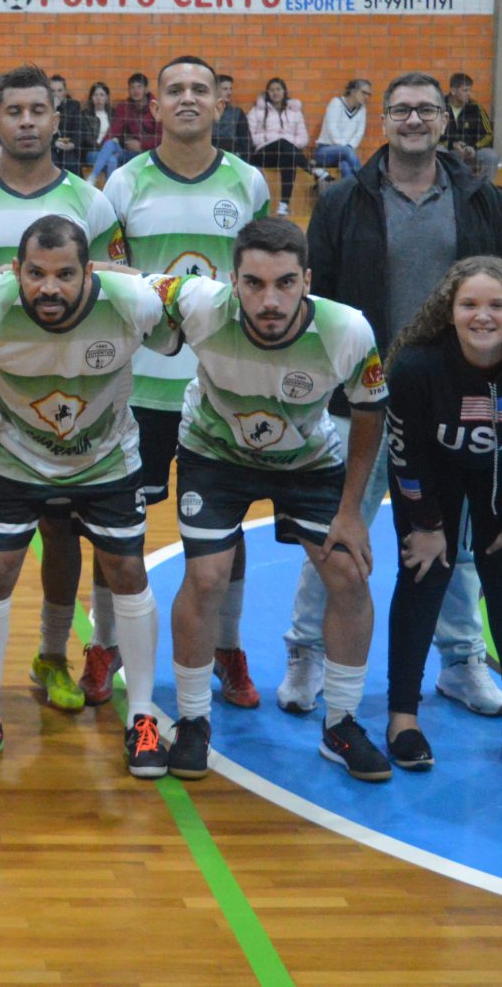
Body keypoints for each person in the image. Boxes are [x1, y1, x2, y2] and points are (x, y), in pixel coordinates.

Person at [285, 71, 502, 719]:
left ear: (444, 120)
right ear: (384, 121)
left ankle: (461, 660)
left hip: (452, 404)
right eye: (401, 110)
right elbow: (315, 302)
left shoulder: (480, 200)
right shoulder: (343, 200)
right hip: (360, 404)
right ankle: (306, 650)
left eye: (425, 109)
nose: (414, 119)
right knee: (336, 531)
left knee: (456, 541)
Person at [158, 217, 392, 784]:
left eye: (286, 283)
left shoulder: (346, 329)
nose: (270, 300)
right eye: (254, 283)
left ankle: (341, 724)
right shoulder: (196, 301)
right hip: (214, 452)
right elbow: (112, 280)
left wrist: (350, 512)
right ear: (231, 281)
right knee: (206, 578)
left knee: (348, 576)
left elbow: (370, 410)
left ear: (307, 280)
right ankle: (192, 720)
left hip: (306, 461)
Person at [0, 65, 125, 717]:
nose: (25, 122)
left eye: (37, 111)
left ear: (55, 119)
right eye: (13, 111)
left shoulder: (91, 205)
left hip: (67, 401)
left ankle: (52, 655)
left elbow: (110, 289)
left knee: (61, 527)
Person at [0, 216, 169, 778]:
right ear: (15, 271)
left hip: (106, 458)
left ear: (90, 272)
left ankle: (142, 716)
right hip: (13, 456)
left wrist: (129, 274)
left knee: (127, 571)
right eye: (36, 274)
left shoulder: (133, 302)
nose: (50, 288)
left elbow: (183, 301)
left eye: (65, 274)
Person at [102, 56, 271, 710]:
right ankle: (106, 645)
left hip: (222, 388)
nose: (188, 99)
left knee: (227, 531)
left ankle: (228, 647)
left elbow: (265, 277)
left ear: (220, 103)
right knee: (118, 526)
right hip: (138, 389)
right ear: (155, 107)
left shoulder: (248, 183)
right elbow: (110, 281)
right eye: (174, 90)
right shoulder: (124, 183)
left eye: (200, 89)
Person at [384, 258, 502, 775]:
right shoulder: (417, 366)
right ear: (450, 310)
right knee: (424, 571)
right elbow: (404, 455)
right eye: (469, 304)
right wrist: (426, 527)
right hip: (433, 470)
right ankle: (402, 717)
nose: (482, 316)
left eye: (496, 305)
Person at [247, 76, 311, 216]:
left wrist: (286, 143)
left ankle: (283, 205)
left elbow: (303, 138)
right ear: (267, 92)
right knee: (282, 143)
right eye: (272, 90)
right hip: (263, 154)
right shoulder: (257, 111)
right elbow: (249, 136)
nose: (275, 93)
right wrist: (270, 138)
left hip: (285, 154)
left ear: (284, 91)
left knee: (288, 158)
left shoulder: (295, 112)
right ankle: (313, 170)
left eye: (278, 89)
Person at [442, 73, 500, 184]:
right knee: (444, 153)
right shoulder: (440, 107)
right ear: (453, 91)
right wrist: (452, 145)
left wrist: (474, 148)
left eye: (470, 90)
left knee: (491, 156)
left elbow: (488, 135)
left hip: (472, 151)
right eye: (465, 90)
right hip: (448, 151)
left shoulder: (476, 108)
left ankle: (485, 189)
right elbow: (433, 136)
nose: (469, 94)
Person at [314, 79, 371, 182]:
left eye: (368, 94)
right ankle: (366, 181)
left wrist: (349, 147)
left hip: (345, 153)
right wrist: (347, 148)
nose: (366, 96)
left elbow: (359, 132)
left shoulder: (362, 109)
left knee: (345, 165)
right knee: (346, 152)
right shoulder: (336, 103)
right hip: (324, 152)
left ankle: (351, 192)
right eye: (364, 92)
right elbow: (332, 130)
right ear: (353, 91)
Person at [112, 72, 161, 163]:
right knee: (111, 157)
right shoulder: (124, 107)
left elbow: (162, 137)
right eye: (132, 87)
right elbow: (114, 130)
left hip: (153, 152)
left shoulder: (156, 107)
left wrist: (142, 145)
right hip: (129, 151)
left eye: (139, 87)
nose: (136, 91)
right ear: (128, 90)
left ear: (146, 89)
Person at [83, 82, 122, 185]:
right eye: (95, 95)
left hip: (115, 149)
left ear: (107, 98)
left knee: (110, 144)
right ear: (91, 98)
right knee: (112, 160)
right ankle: (110, 191)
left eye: (102, 95)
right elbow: (86, 138)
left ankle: (92, 177)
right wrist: (105, 148)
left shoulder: (114, 114)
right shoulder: (85, 115)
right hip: (94, 152)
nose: (98, 98)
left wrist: (115, 141)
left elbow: (121, 133)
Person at [212, 74, 252, 160]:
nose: (229, 93)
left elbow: (245, 141)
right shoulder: (206, 111)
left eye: (230, 89)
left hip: (233, 156)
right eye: (225, 89)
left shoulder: (237, 112)